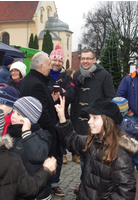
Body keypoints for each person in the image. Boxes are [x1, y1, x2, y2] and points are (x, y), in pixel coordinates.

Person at [55, 97, 138, 200]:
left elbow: (126, 191)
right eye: (90, 117)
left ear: (107, 121)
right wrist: (62, 117)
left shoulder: (119, 154)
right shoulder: (92, 142)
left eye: (94, 118)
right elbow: (72, 140)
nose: (89, 121)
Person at [70, 48, 115, 194]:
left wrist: (101, 116)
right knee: (84, 155)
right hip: (81, 122)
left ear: (94, 59)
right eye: (83, 58)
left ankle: (97, 184)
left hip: (97, 123)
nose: (85, 61)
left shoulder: (104, 75)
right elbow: (74, 98)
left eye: (88, 58)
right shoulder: (76, 75)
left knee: (97, 156)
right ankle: (84, 183)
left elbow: (110, 97)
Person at [8, 96, 53, 200]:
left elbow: (38, 156)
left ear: (29, 119)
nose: (13, 116)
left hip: (36, 192)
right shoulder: (12, 133)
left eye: (18, 114)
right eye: (13, 112)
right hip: (17, 189)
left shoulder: (42, 136)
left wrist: (27, 134)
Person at [46, 44, 75, 196]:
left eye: (60, 61)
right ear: (50, 60)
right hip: (45, 119)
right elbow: (42, 90)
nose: (57, 63)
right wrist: (55, 90)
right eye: (55, 60)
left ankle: (55, 183)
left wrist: (59, 93)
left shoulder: (67, 77)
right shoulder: (44, 74)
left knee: (58, 152)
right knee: (44, 150)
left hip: (61, 119)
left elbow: (72, 95)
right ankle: (43, 181)